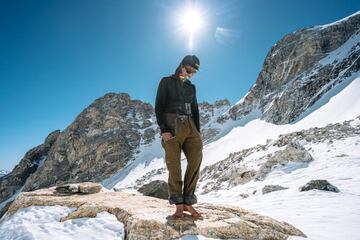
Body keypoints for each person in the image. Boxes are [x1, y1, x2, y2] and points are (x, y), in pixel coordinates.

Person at [155, 55, 203, 219]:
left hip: (190, 125)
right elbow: (159, 107)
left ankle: (188, 200)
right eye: (189, 70)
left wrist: (197, 131)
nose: (191, 74)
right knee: (174, 165)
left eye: (194, 72)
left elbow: (195, 110)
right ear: (182, 66)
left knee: (196, 158)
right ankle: (178, 204)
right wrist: (163, 129)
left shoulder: (191, 87)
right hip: (171, 125)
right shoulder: (166, 81)